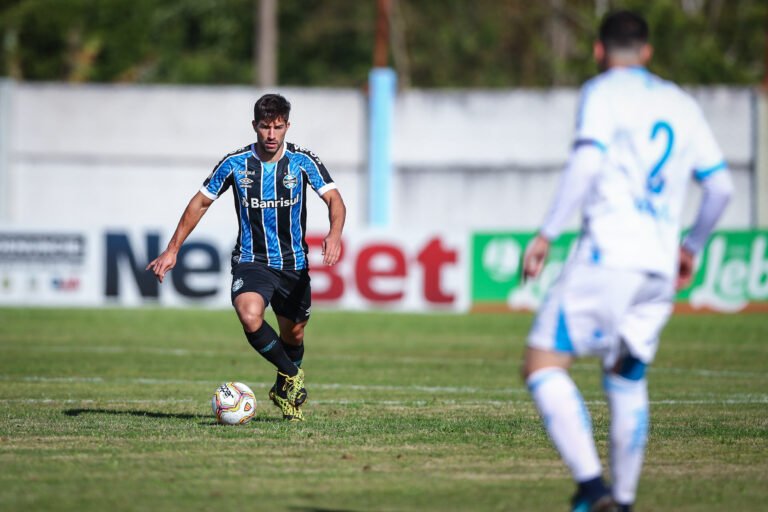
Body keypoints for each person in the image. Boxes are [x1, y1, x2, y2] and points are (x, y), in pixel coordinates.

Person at [521, 10, 733, 512]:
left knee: (543, 363)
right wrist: (691, 247)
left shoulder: (602, 94)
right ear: (647, 51)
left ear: (599, 51)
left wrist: (548, 231)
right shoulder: (681, 102)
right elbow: (720, 187)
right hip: (659, 265)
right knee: (626, 374)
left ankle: (594, 491)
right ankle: (626, 500)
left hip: (610, 253)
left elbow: (589, 160)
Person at [147, 93, 346, 422]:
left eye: (278, 127)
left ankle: (284, 387)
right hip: (252, 260)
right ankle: (292, 376)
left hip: (294, 264)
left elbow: (335, 201)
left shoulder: (303, 162)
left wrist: (334, 233)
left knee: (294, 334)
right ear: (255, 125)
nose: (271, 134)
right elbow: (200, 203)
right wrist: (172, 249)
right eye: (265, 127)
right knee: (250, 315)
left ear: (287, 127)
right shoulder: (235, 164)